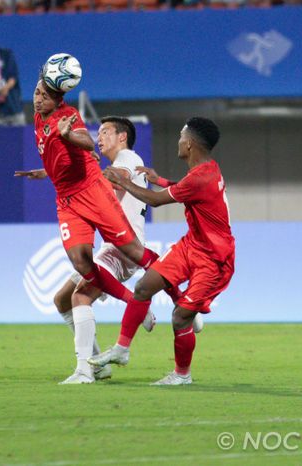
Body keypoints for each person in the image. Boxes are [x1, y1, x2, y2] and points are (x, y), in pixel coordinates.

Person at [15, 78, 179, 329]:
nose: (99, 137)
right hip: (109, 244)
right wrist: (52, 171)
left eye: (105, 132)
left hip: (122, 247)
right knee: (61, 300)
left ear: (122, 137)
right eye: (99, 132)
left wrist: (81, 165)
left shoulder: (128, 157)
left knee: (79, 296)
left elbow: (115, 179)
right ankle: (95, 359)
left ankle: (90, 364)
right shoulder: (107, 164)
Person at [89, 117, 235, 386]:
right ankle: (121, 349)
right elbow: (184, 187)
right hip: (192, 245)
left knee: (179, 317)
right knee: (144, 287)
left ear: (189, 144)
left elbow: (156, 201)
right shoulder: (206, 170)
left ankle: (182, 375)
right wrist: (160, 179)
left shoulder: (200, 178)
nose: (178, 140)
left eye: (181, 136)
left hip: (214, 259)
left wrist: (124, 183)